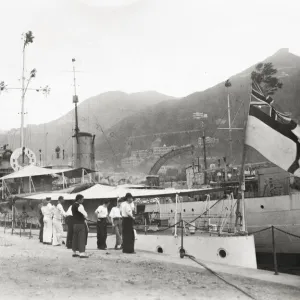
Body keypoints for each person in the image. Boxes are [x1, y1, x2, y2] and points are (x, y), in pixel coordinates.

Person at [71, 194, 88, 258]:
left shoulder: (72, 205)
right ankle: (82, 253)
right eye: (82, 199)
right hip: (80, 224)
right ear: (79, 199)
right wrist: (85, 216)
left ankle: (74, 252)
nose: (83, 201)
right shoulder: (80, 206)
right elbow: (86, 214)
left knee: (75, 238)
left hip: (75, 224)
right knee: (81, 238)